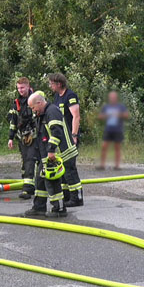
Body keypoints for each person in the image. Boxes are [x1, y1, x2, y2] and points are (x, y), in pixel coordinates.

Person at [25, 91, 77, 218]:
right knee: (40, 180)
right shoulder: (43, 113)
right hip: (47, 153)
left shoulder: (52, 111)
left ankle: (59, 208)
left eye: (33, 107)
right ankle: (39, 207)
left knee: (52, 181)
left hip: (57, 153)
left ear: (39, 102)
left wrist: (51, 150)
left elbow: (56, 132)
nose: (33, 111)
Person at [48, 73, 83, 207]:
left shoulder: (70, 96)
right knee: (62, 167)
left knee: (70, 167)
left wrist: (74, 135)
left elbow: (76, 116)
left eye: (52, 83)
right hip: (61, 137)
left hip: (70, 137)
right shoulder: (57, 96)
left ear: (59, 84)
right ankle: (67, 195)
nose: (50, 86)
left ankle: (77, 197)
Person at [7, 77, 36, 199]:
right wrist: (10, 138)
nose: (20, 90)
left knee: (31, 160)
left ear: (28, 87)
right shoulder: (17, 102)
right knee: (25, 161)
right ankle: (27, 185)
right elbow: (13, 121)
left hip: (35, 136)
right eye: (18, 88)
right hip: (22, 137)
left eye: (22, 88)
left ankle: (29, 189)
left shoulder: (36, 99)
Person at [98, 91, 130, 170]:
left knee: (117, 147)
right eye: (111, 98)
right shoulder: (106, 107)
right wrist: (106, 115)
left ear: (116, 98)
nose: (112, 99)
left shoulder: (120, 107)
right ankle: (102, 165)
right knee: (104, 146)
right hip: (108, 129)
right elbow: (100, 116)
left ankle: (117, 165)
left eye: (113, 97)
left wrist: (119, 114)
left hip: (118, 130)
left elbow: (127, 115)